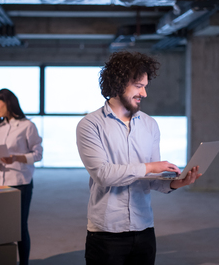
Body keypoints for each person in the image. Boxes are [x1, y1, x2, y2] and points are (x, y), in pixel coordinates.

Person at [76, 51, 202, 265]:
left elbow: (152, 179)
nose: (144, 93)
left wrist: (176, 183)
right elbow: (103, 175)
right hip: (107, 232)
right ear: (118, 83)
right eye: (138, 86)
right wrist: (150, 166)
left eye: (145, 86)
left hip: (144, 228)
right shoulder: (90, 125)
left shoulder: (149, 124)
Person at [0, 89, 43, 265]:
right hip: (0, 183)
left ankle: (23, 263)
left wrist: (16, 158)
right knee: (2, 226)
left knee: (19, 226)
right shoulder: (0, 126)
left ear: (8, 103)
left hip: (20, 183)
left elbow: (38, 154)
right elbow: (0, 152)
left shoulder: (27, 126)